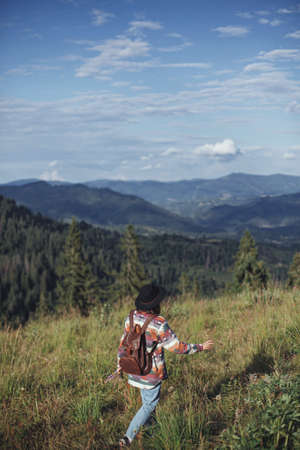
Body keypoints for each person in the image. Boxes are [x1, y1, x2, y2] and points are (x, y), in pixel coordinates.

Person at [117, 283, 214, 447]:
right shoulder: (158, 323)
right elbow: (177, 347)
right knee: (149, 405)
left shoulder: (130, 318)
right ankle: (127, 438)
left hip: (134, 368)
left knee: (148, 403)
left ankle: (151, 432)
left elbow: (124, 344)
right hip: (151, 373)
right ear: (155, 304)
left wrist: (119, 363)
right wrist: (200, 347)